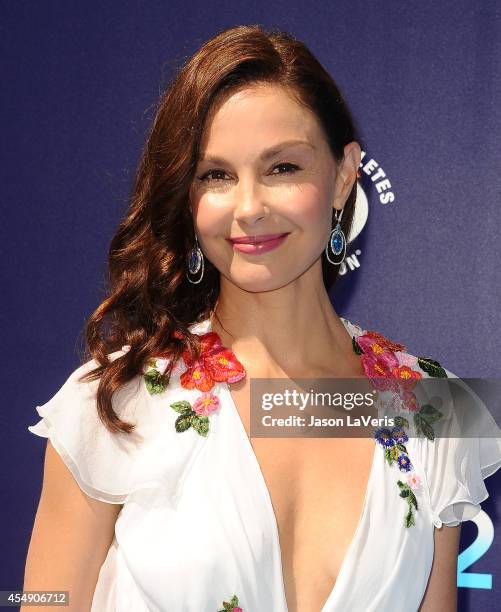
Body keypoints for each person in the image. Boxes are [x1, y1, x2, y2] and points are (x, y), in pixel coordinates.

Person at [23, 24, 501, 612]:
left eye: (282, 168)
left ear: (345, 174)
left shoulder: (431, 409)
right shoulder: (115, 403)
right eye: (216, 175)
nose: (249, 207)